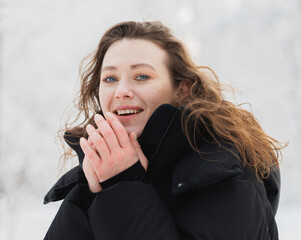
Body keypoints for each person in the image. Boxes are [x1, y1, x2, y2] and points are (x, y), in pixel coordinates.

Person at [44, 21, 286, 240]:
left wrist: (123, 187)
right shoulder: (97, 173)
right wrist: (93, 192)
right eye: (109, 79)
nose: (121, 91)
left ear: (182, 89)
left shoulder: (223, 171)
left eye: (141, 76)